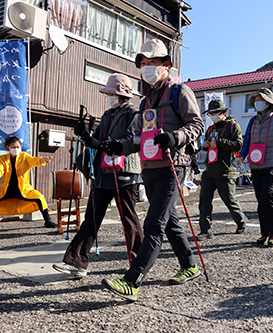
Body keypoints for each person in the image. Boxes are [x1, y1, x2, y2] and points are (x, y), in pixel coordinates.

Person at [100, 39, 204, 301]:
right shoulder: (146, 102)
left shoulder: (180, 92)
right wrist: (119, 146)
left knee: (154, 223)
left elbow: (197, 125)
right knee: (170, 222)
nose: (146, 68)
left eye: (152, 63)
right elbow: (138, 138)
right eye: (143, 64)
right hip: (149, 169)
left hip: (173, 166)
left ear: (166, 65)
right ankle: (190, 265)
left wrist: (175, 137)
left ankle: (132, 281)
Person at [52, 73, 143, 277]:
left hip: (124, 171)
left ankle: (139, 262)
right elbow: (96, 140)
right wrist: (84, 134)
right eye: (107, 93)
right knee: (92, 217)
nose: (108, 96)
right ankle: (76, 262)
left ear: (122, 94)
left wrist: (103, 144)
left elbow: (132, 140)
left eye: (112, 93)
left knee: (128, 218)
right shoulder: (108, 114)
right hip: (103, 172)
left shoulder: (133, 113)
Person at [234, 87, 273, 247]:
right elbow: (247, 142)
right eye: (255, 99)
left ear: (268, 102)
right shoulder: (252, 121)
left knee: (268, 196)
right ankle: (264, 233)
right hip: (255, 165)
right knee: (260, 199)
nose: (257, 102)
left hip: (272, 164)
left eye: (260, 99)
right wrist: (241, 156)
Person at [196, 99, 248, 240]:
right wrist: (205, 145)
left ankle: (241, 221)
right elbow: (206, 145)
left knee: (229, 201)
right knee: (204, 201)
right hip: (209, 170)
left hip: (225, 171)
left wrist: (219, 142)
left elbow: (238, 144)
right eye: (210, 113)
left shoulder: (233, 126)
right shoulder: (211, 128)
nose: (212, 115)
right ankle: (206, 230)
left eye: (215, 113)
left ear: (223, 112)